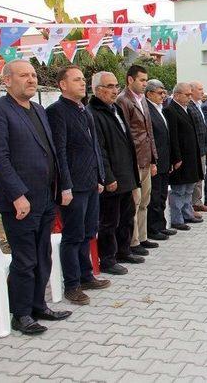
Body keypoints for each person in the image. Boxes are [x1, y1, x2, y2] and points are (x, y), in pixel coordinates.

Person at [0, 60, 71, 335]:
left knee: (42, 255)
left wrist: (62, 187)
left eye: (34, 75)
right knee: (25, 259)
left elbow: (52, 152)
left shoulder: (38, 109)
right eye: (24, 75)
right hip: (20, 202)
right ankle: (20, 314)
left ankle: (38, 305)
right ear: (7, 80)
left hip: (45, 198)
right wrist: (17, 195)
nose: (32, 79)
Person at [46, 65, 109, 306]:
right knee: (72, 236)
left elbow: (94, 148)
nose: (83, 83)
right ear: (62, 84)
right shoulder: (57, 112)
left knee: (87, 232)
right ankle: (72, 285)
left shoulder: (84, 110)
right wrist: (65, 186)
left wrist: (100, 178)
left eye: (83, 79)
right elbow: (59, 152)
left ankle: (86, 275)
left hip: (91, 183)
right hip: (73, 186)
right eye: (76, 80)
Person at [88, 71, 143, 275]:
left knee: (127, 216)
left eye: (115, 86)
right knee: (109, 221)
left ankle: (123, 250)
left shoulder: (116, 108)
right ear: (97, 89)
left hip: (126, 173)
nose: (114, 90)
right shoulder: (93, 112)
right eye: (110, 86)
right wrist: (108, 177)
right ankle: (108, 259)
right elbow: (99, 149)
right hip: (112, 177)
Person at [116, 65, 158, 257]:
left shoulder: (143, 101)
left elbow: (149, 132)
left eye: (146, 80)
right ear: (130, 80)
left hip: (146, 158)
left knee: (144, 202)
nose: (144, 84)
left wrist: (153, 159)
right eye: (141, 80)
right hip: (134, 160)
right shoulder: (123, 100)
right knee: (134, 202)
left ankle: (142, 237)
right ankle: (132, 242)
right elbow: (124, 134)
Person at [164, 83, 203, 231]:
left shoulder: (186, 110)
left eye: (190, 94)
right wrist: (176, 158)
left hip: (191, 157)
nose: (189, 97)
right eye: (187, 95)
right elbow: (173, 137)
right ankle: (177, 218)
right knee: (179, 190)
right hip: (181, 158)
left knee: (188, 188)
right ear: (177, 95)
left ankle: (187, 213)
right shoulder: (170, 110)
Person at [145, 80, 177, 241]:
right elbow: (150, 139)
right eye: (160, 93)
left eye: (164, 93)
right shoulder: (147, 110)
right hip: (156, 162)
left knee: (162, 195)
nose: (163, 96)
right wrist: (153, 161)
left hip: (165, 160)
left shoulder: (160, 109)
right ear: (149, 93)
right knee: (155, 197)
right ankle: (153, 228)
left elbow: (166, 137)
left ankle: (161, 225)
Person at [188, 81, 207, 214]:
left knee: (201, 175)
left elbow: (204, 128)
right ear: (191, 90)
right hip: (195, 148)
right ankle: (194, 204)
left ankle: (197, 201)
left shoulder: (198, 105)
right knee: (195, 177)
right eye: (200, 89)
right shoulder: (190, 106)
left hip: (202, 147)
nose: (202, 92)